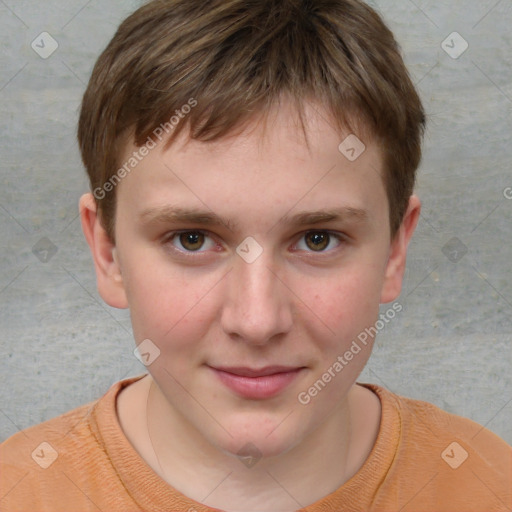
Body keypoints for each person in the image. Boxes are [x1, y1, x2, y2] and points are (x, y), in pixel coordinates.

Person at [1, 0, 510, 510]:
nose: (258, 320)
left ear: (394, 252)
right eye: (192, 239)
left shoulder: (490, 485)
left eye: (318, 239)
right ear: (107, 252)